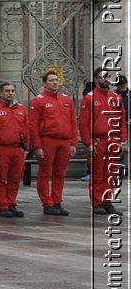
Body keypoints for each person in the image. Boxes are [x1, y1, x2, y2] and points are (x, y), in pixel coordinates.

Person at [29, 70, 77, 216]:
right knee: (45, 173)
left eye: (56, 80)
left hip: (65, 141)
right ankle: (47, 203)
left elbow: (73, 122)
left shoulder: (67, 100)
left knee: (60, 173)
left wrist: (73, 143)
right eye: (51, 80)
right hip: (47, 140)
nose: (55, 82)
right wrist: (37, 146)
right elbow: (33, 125)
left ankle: (57, 201)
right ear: (44, 83)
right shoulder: (39, 100)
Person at [0, 81, 31, 217]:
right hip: (1, 149)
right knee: (1, 179)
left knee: (15, 178)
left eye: (12, 91)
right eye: (7, 91)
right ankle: (2, 206)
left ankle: (11, 203)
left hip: (17, 149)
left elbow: (26, 129)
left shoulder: (22, 109)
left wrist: (26, 149)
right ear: (0, 93)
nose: (10, 93)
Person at [81, 68, 124, 214]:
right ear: (96, 79)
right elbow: (84, 123)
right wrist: (88, 142)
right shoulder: (89, 98)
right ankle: (97, 201)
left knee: (111, 173)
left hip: (112, 140)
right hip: (98, 141)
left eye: (108, 76)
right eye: (102, 77)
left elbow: (121, 120)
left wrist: (122, 140)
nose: (106, 79)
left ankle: (107, 201)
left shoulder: (116, 97)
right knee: (97, 173)